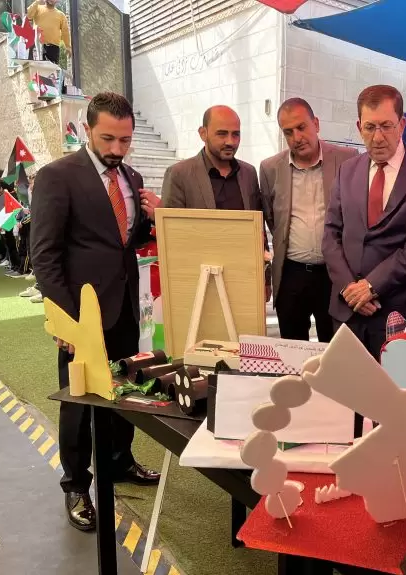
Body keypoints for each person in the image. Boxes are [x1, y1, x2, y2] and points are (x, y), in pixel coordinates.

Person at [31, 92, 162, 532]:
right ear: (86, 129)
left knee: (124, 389)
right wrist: (66, 320)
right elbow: (45, 256)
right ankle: (75, 485)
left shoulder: (132, 177)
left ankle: (120, 460)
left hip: (125, 307)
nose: (117, 149)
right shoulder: (57, 177)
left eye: (125, 140)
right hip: (81, 317)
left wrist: (152, 217)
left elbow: (126, 240)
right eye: (108, 138)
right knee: (78, 402)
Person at [322, 85, 406, 359]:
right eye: (370, 127)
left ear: (402, 125)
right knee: (346, 385)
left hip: (401, 311)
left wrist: (371, 286)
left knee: (398, 387)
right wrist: (349, 288)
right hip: (348, 311)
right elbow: (331, 233)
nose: (378, 137)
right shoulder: (347, 171)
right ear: (359, 127)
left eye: (386, 126)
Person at [260, 98, 358, 342]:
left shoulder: (347, 159)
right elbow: (272, 219)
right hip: (291, 274)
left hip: (334, 274)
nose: (296, 137)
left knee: (335, 348)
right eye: (288, 132)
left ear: (316, 124)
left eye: (301, 127)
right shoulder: (270, 168)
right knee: (292, 348)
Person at [160, 105, 270, 298]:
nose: (230, 141)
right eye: (222, 134)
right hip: (199, 285)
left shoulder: (249, 173)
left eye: (236, 134)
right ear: (203, 133)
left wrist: (265, 279)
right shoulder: (179, 175)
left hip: (245, 281)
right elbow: (172, 241)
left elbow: (258, 230)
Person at [27, 0, 71, 65]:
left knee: (52, 70)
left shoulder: (61, 15)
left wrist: (68, 46)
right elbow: (29, 15)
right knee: (37, 69)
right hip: (37, 46)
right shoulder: (37, 8)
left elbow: (65, 31)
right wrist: (37, 1)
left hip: (53, 49)